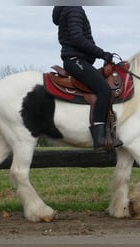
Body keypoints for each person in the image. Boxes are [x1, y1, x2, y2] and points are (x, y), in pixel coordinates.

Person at [52, 6, 123, 150]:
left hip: (76, 60)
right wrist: (102, 54)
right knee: (104, 89)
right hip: (76, 60)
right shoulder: (74, 9)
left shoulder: (67, 9)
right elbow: (77, 38)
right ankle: (99, 138)